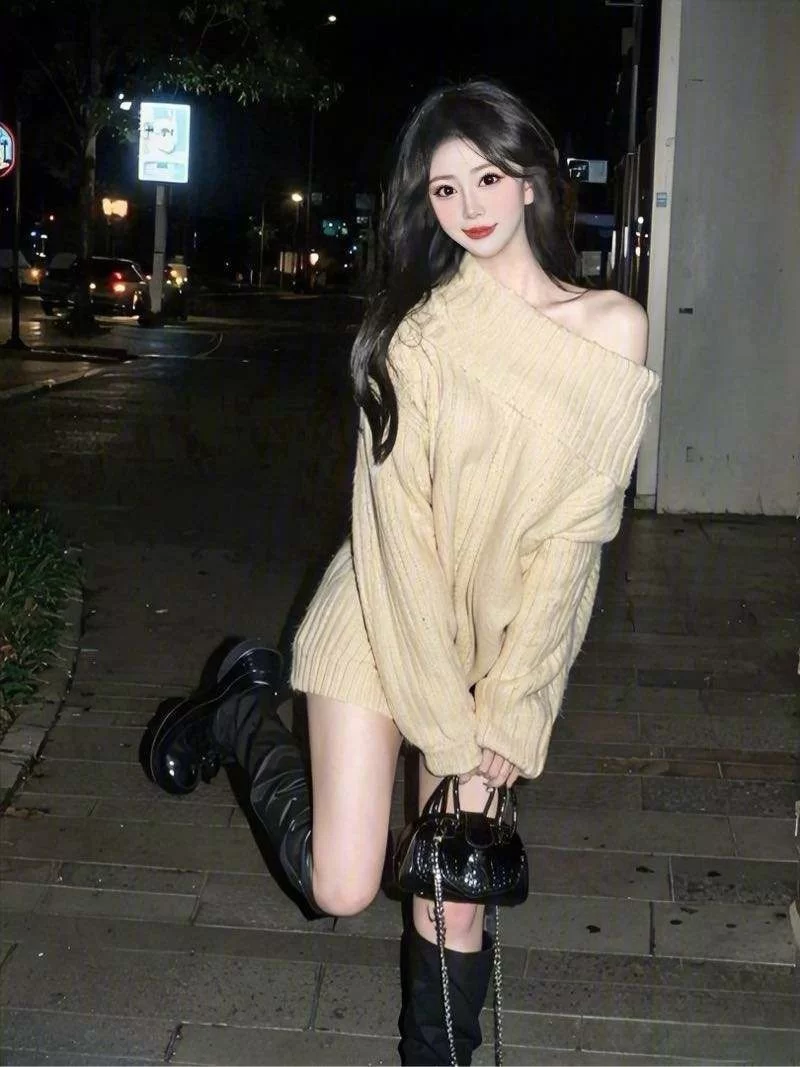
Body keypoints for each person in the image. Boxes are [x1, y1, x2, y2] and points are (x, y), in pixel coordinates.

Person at [143, 79, 659, 1064]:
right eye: (443, 190)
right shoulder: (415, 334)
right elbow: (396, 539)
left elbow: (573, 540)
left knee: (452, 896)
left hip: (490, 644)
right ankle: (240, 711)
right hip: (382, 617)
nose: (468, 207)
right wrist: (447, 727)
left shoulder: (613, 326)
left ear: (530, 180)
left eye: (487, 178)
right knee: (341, 884)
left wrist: (513, 706)